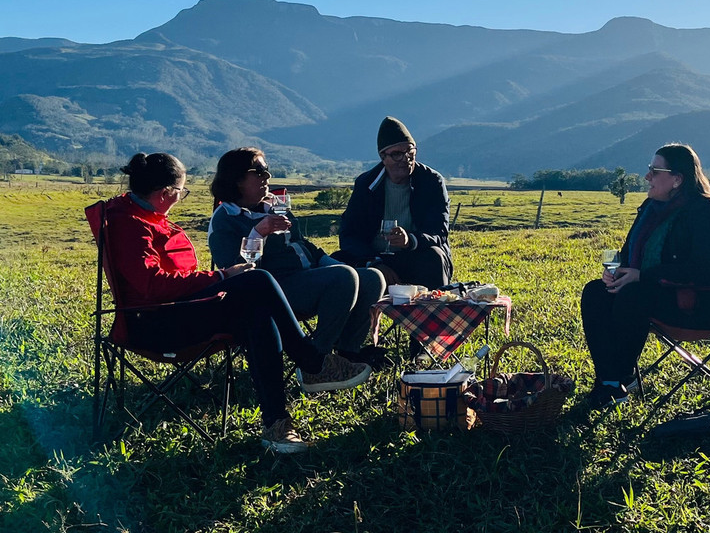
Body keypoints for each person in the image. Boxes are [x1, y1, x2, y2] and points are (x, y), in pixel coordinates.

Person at [110, 152, 371, 453]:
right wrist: (220, 276)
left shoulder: (145, 218)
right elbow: (153, 286)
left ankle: (276, 424)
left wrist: (215, 278)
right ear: (165, 193)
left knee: (257, 312)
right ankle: (312, 362)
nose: (181, 198)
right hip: (155, 323)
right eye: (181, 192)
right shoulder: (131, 225)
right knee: (257, 280)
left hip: (177, 309)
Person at [579, 143, 710, 408]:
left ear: (677, 179)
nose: (647, 177)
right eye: (648, 169)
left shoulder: (705, 212)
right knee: (595, 291)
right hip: (651, 293)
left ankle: (617, 378)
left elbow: (706, 268)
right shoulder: (650, 207)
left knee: (632, 294)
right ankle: (611, 381)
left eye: (655, 170)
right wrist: (616, 271)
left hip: (697, 304)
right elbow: (628, 251)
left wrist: (643, 276)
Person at [208, 148, 387, 369]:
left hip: (305, 277)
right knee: (343, 277)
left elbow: (302, 244)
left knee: (371, 277)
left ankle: (347, 354)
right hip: (273, 289)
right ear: (237, 179)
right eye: (260, 171)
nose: (267, 177)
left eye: (267, 170)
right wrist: (257, 234)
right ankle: (315, 362)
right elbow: (235, 272)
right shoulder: (226, 218)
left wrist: (335, 265)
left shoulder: (273, 205)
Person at [336, 116, 453, 289]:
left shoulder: (431, 181)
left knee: (434, 256)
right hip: (375, 257)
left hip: (416, 254)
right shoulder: (366, 185)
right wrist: (374, 262)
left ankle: (432, 312)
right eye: (397, 154)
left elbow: (438, 231)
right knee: (338, 262)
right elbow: (349, 234)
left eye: (410, 152)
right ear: (383, 157)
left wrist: (410, 240)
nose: (405, 159)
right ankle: (362, 316)